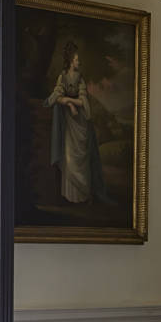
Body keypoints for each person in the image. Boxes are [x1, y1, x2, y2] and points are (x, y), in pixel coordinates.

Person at [45, 41, 108, 204]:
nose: (79, 62)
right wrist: (69, 102)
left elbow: (84, 100)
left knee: (82, 158)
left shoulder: (80, 78)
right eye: (77, 59)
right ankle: (69, 196)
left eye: (79, 59)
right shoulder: (63, 77)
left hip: (80, 122)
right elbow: (57, 96)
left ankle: (84, 196)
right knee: (69, 157)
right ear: (71, 59)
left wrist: (73, 103)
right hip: (68, 124)